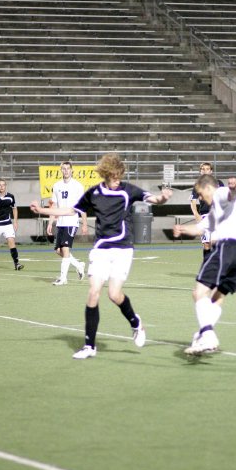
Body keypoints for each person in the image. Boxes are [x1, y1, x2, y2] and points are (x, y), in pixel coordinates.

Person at [30, 152, 173, 359]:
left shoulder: (127, 190)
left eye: (119, 176)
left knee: (114, 294)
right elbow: (71, 210)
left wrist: (163, 197)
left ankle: (136, 323)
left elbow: (153, 198)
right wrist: (43, 211)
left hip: (123, 248)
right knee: (93, 292)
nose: (116, 181)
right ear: (105, 174)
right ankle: (89, 346)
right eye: (113, 177)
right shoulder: (94, 193)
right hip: (101, 249)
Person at [174, 174, 236, 355]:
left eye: (201, 194)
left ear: (208, 188)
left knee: (198, 293)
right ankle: (204, 334)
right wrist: (182, 229)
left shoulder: (219, 194)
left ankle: (207, 336)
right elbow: (200, 229)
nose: (201, 198)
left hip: (229, 248)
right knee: (218, 296)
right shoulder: (215, 212)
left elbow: (231, 194)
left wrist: (234, 187)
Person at [47, 161, 87, 285]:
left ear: (71, 170)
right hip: (60, 222)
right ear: (61, 170)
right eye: (63, 169)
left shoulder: (77, 186)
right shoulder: (57, 186)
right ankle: (79, 265)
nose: (65, 171)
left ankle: (63, 279)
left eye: (68, 169)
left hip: (71, 221)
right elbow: (54, 206)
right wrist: (50, 222)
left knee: (65, 248)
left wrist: (84, 223)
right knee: (59, 251)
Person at [190, 162, 225, 261]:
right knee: (206, 244)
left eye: (207, 169)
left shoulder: (219, 183)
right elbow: (193, 202)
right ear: (200, 171)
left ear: (211, 171)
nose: (205, 171)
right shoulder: (198, 185)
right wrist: (196, 215)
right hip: (205, 216)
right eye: (203, 169)